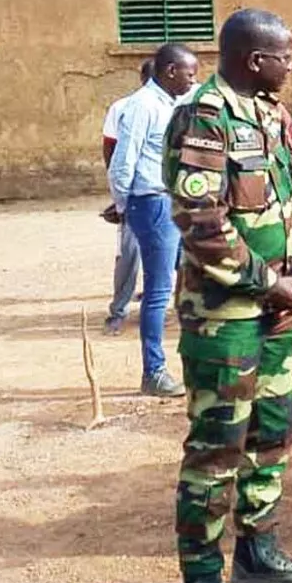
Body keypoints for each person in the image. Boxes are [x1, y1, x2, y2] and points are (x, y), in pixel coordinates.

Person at [161, 9, 292, 583]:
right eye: (285, 55)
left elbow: (285, 204)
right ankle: (203, 580)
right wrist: (264, 280)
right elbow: (199, 217)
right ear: (256, 59)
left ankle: (258, 551)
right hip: (223, 315)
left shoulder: (265, 111)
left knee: (272, 431)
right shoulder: (205, 115)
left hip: (273, 311)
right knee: (217, 444)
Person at [108, 43, 200, 398]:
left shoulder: (176, 103)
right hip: (153, 202)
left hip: (177, 201)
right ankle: (154, 371)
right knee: (159, 291)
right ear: (170, 71)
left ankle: (192, 362)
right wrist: (125, 206)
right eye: (189, 74)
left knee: (189, 282)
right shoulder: (141, 106)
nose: (193, 81)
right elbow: (122, 162)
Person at [101, 58, 154, 336]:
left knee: (175, 256)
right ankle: (118, 311)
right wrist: (119, 195)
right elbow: (111, 151)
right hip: (134, 193)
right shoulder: (123, 108)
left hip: (163, 192)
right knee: (129, 253)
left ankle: (161, 305)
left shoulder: (176, 107)